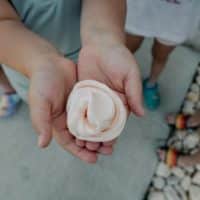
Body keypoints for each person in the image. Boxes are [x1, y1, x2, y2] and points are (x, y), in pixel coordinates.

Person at [0, 0, 144, 164]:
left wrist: (104, 38)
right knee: (42, 98)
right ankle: (10, 91)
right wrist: (40, 61)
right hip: (28, 65)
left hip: (92, 54)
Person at [126, 0, 199, 110]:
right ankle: (122, 78)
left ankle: (151, 84)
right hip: (139, 9)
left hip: (178, 17)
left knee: (161, 56)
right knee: (127, 50)